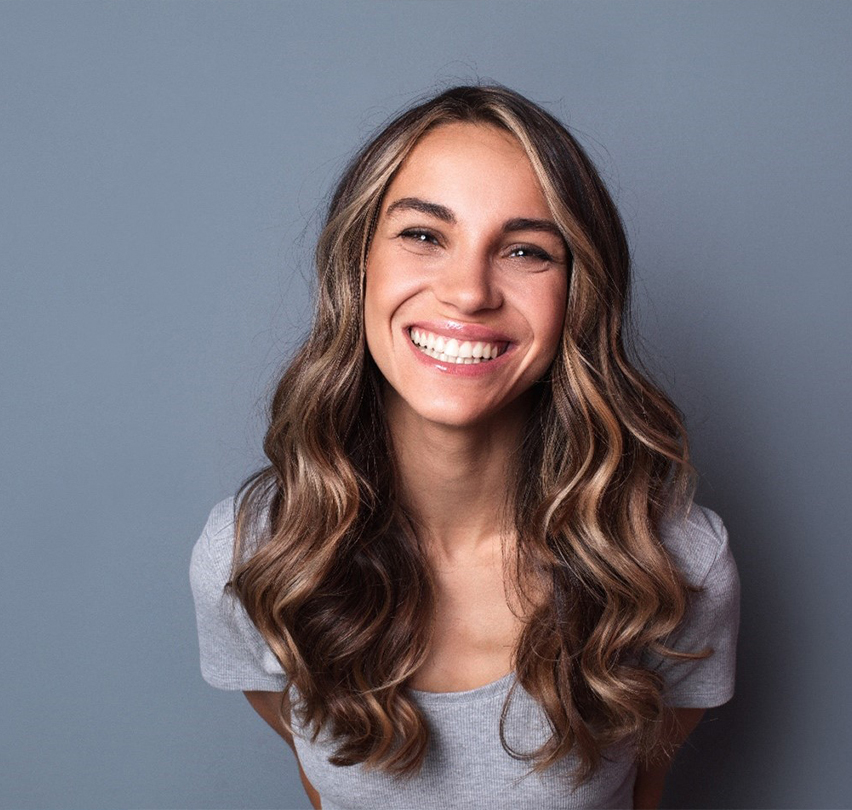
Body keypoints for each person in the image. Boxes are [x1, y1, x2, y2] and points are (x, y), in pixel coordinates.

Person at [189, 84, 740, 810]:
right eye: (423, 235)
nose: (469, 291)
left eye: (525, 250)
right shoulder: (255, 555)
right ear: (358, 268)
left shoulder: (673, 565)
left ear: (579, 293)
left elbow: (646, 790)